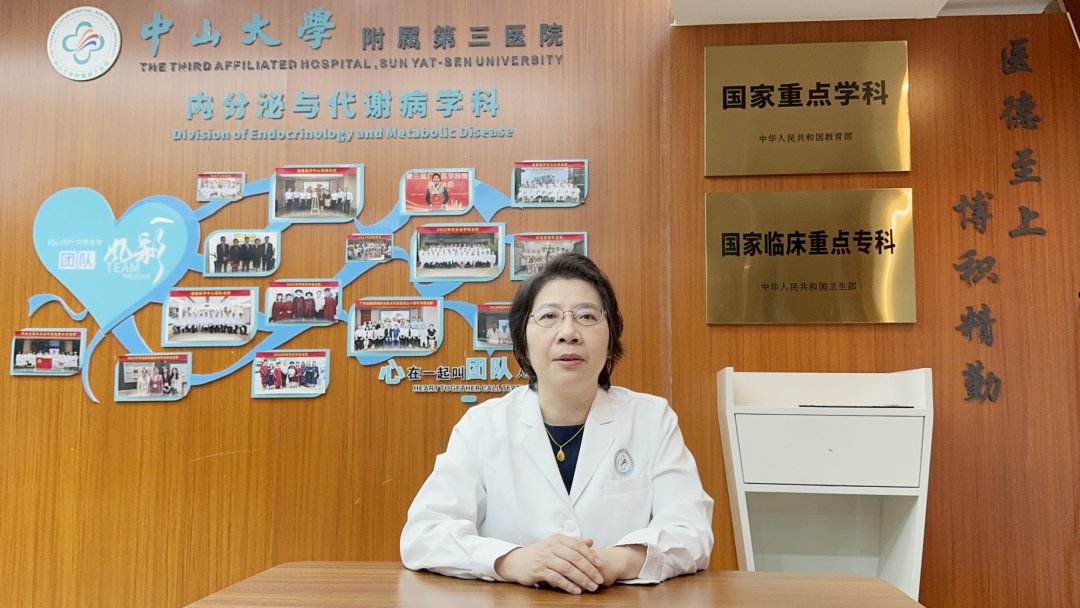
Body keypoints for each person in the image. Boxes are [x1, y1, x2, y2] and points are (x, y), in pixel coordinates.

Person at [400, 253, 713, 593]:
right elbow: (424, 534)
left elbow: (691, 531)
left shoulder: (651, 419)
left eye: (587, 316)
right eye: (549, 316)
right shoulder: (483, 426)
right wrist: (512, 561)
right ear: (523, 341)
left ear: (611, 339)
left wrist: (616, 560)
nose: (569, 333)